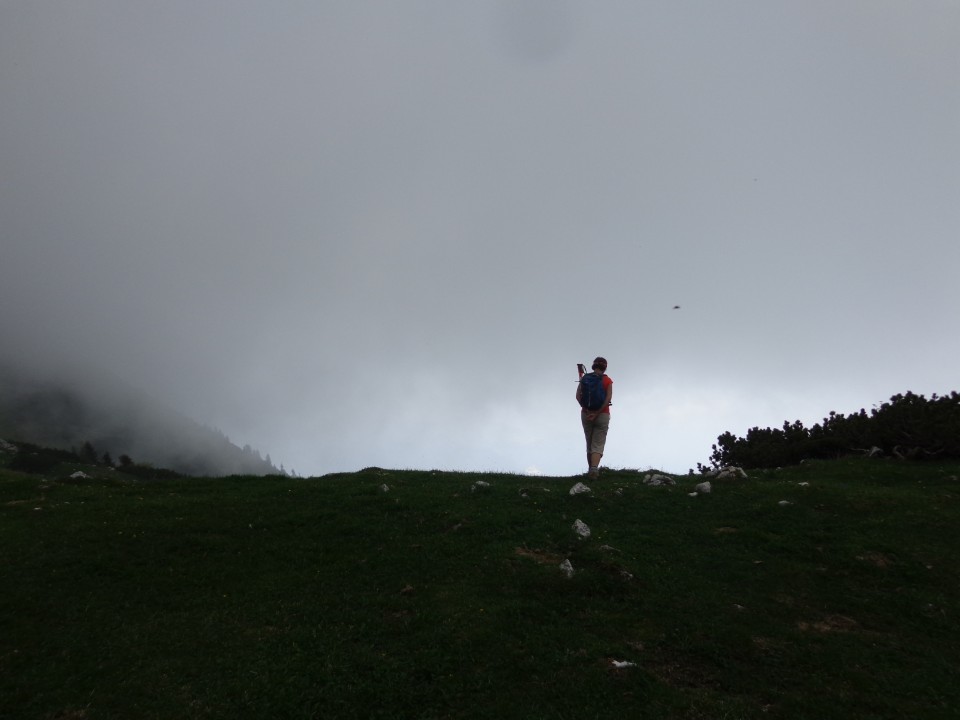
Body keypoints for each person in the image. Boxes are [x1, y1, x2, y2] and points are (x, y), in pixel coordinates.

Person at [576, 356, 613, 479]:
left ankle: (590, 469)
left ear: (593, 366)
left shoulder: (585, 378)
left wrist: (587, 411)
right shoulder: (607, 381)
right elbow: (608, 399)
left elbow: (577, 396)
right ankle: (594, 470)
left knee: (589, 442)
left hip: (586, 414)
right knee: (598, 443)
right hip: (602, 414)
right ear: (605, 367)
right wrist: (597, 413)